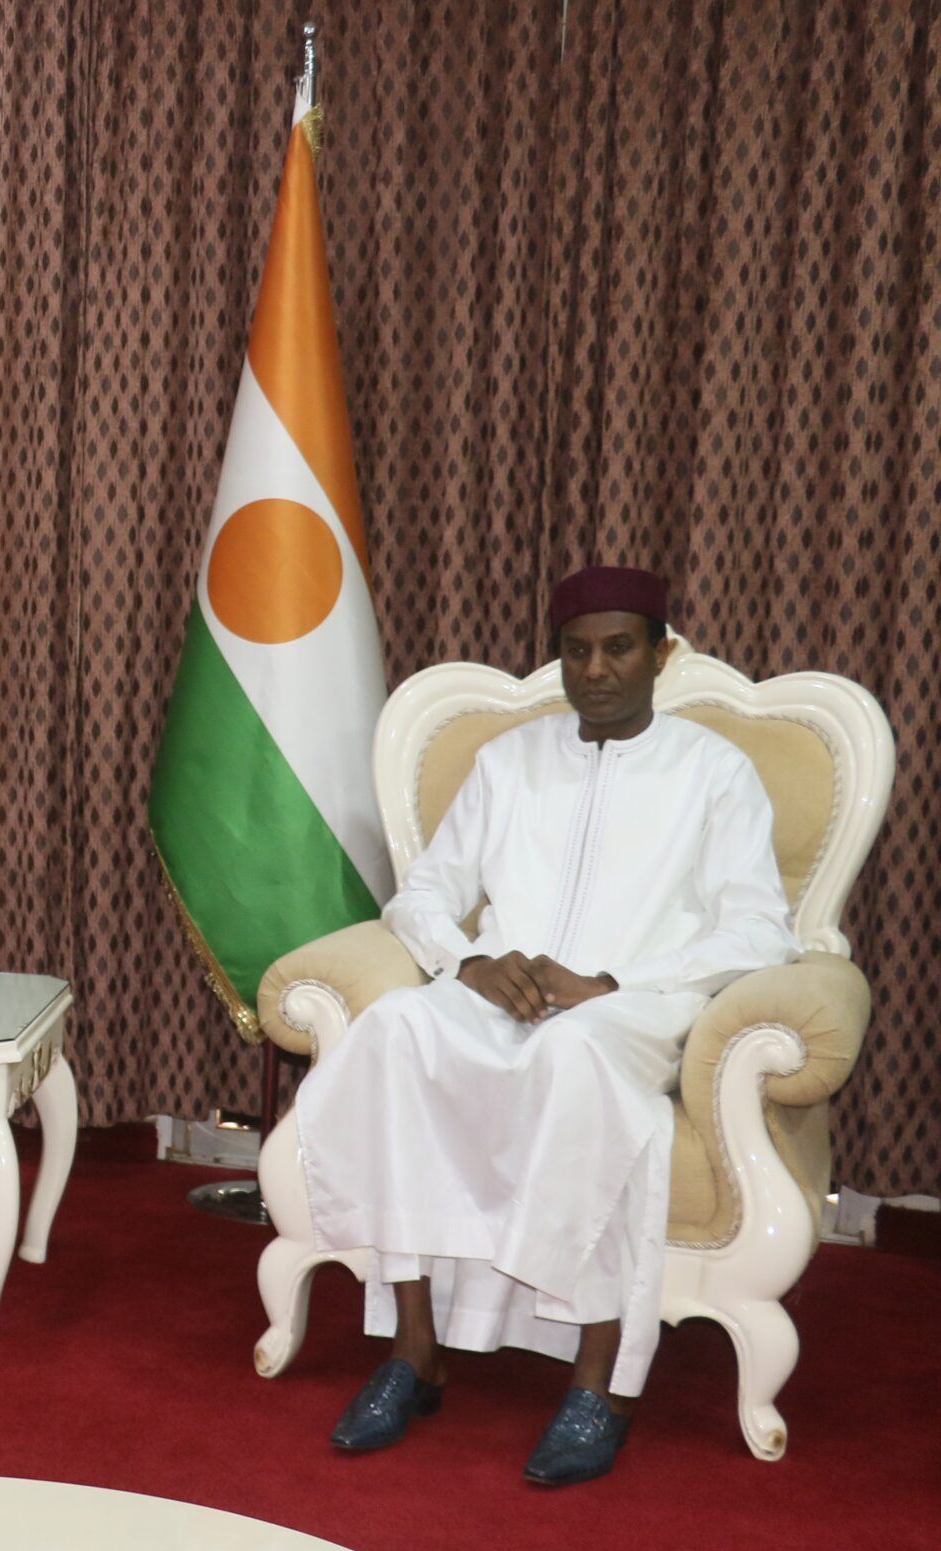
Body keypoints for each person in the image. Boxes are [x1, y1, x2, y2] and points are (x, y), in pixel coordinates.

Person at [291, 564, 798, 1486]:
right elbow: (425, 895)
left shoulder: (714, 771)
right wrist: (468, 964)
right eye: (576, 650)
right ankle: (414, 1349)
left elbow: (759, 927)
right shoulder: (510, 761)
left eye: (617, 648)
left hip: (633, 1004)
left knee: (574, 1056)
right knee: (401, 1030)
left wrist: (612, 979)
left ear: (661, 653)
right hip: (503, 991)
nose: (595, 668)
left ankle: (600, 1376)